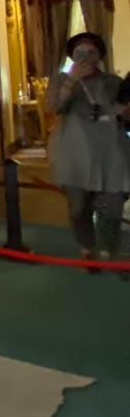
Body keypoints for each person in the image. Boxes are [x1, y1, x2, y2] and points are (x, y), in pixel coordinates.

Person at [46, 32, 130, 268]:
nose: (86, 57)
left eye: (91, 52)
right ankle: (87, 249)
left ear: (100, 55)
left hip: (111, 151)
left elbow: (121, 112)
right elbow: (54, 107)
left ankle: (107, 250)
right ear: (72, 56)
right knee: (79, 207)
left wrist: (125, 112)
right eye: (80, 52)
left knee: (111, 205)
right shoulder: (60, 80)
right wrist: (72, 81)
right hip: (74, 151)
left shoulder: (113, 81)